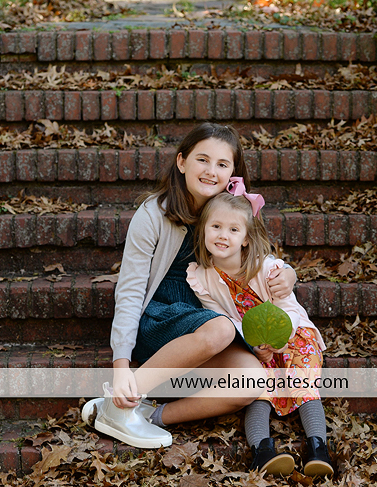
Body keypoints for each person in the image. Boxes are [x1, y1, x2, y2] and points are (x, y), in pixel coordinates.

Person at [81, 123, 297, 449]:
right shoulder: (153, 214)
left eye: (222, 164)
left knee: (253, 379)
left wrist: (289, 274)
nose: (211, 171)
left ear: (233, 173)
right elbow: (130, 291)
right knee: (221, 329)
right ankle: (118, 404)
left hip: (208, 321)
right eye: (202, 160)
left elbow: (258, 260)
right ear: (182, 162)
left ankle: (152, 414)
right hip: (159, 319)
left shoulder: (231, 213)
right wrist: (121, 366)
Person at [186, 186, 334, 477]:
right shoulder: (201, 277)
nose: (223, 235)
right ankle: (262, 451)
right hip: (252, 344)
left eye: (233, 229)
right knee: (258, 387)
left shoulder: (267, 269)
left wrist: (281, 338)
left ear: (245, 239)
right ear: (203, 230)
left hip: (293, 335)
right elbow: (224, 319)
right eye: (215, 227)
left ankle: (319, 448)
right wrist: (252, 345)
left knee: (303, 380)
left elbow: (290, 309)